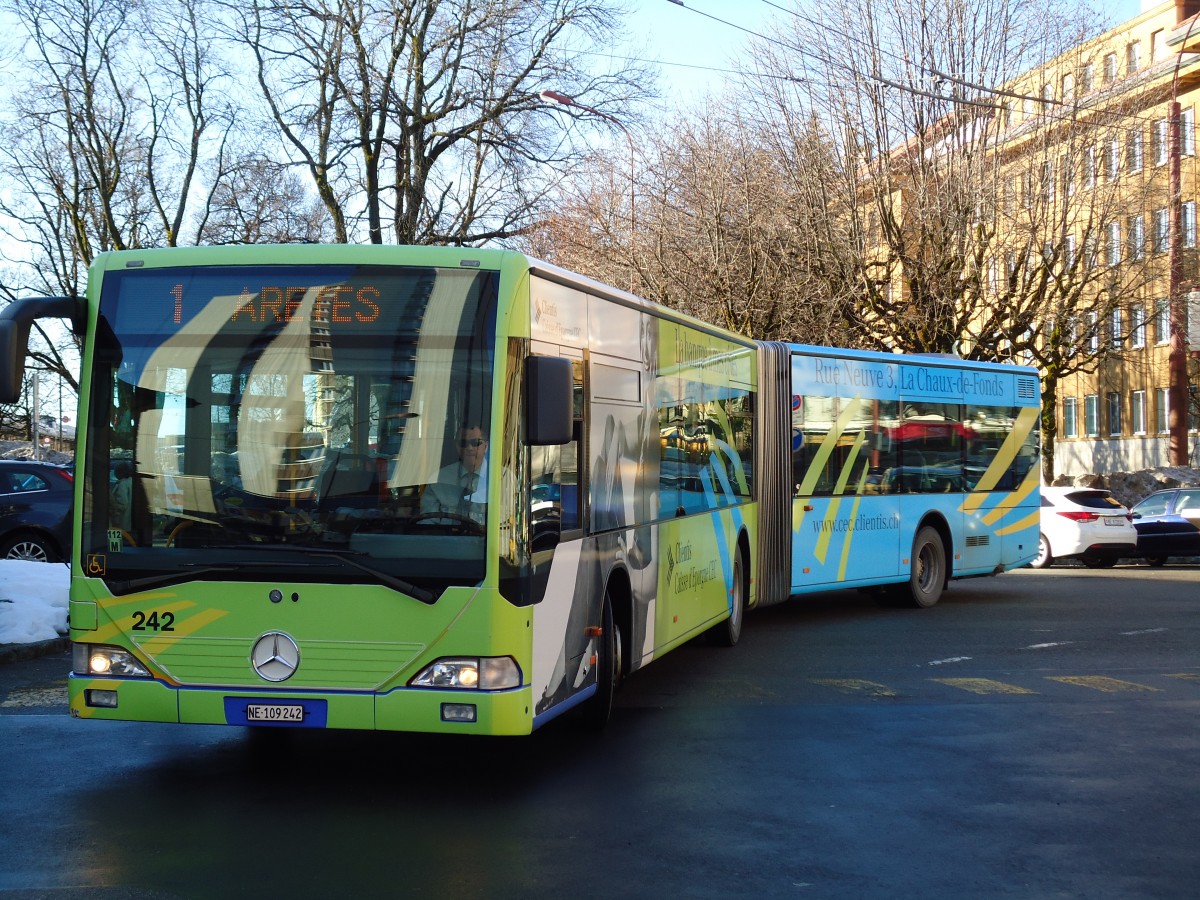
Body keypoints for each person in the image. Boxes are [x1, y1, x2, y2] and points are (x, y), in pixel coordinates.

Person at [420, 424, 489, 524]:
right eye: (463, 443)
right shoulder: (439, 479)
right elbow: (427, 523)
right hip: (446, 538)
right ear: (457, 447)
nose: (469, 448)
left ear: (486, 446)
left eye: (475, 442)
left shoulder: (504, 479)